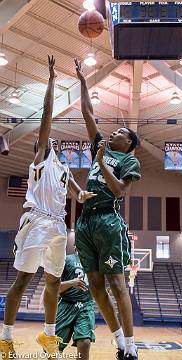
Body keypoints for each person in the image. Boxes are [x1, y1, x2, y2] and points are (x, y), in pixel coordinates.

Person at [0, 56, 96, 359]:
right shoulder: (40, 157)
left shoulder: (62, 168)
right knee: (24, 279)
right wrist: (53, 80)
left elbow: (73, 188)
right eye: (47, 137)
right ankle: (6, 339)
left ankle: (49, 335)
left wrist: (81, 195)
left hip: (58, 225)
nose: (51, 137)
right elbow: (46, 116)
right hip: (37, 222)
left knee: (53, 280)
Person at [74, 59, 141, 360]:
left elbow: (119, 191)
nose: (114, 132)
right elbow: (88, 113)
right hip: (85, 222)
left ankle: (132, 344)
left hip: (108, 220)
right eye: (114, 131)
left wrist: (101, 162)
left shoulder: (129, 161)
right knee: (96, 285)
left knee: (116, 282)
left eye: (121, 132)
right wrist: (83, 81)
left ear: (129, 143)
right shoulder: (100, 143)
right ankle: (119, 343)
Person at [56, 248, 95, 360]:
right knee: (53, 348)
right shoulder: (66, 259)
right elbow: (53, 287)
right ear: (76, 246)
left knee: (85, 342)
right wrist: (71, 283)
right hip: (66, 305)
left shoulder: (95, 262)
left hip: (86, 305)